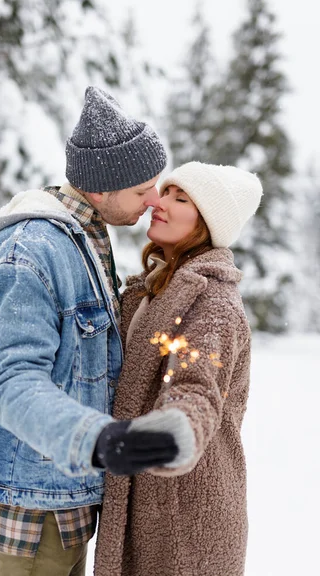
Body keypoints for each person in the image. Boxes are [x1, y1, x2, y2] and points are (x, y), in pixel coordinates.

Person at [0, 86, 186, 576]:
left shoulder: (85, 236)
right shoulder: (30, 253)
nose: (154, 200)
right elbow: (10, 383)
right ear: (101, 189)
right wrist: (99, 438)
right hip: (37, 500)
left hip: (67, 491)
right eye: (141, 190)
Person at [94, 161, 263, 576]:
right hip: (148, 503)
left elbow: (195, 388)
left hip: (187, 520)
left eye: (180, 198)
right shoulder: (152, 287)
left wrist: (175, 431)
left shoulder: (213, 303)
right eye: (165, 192)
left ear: (207, 223)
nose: (159, 202)